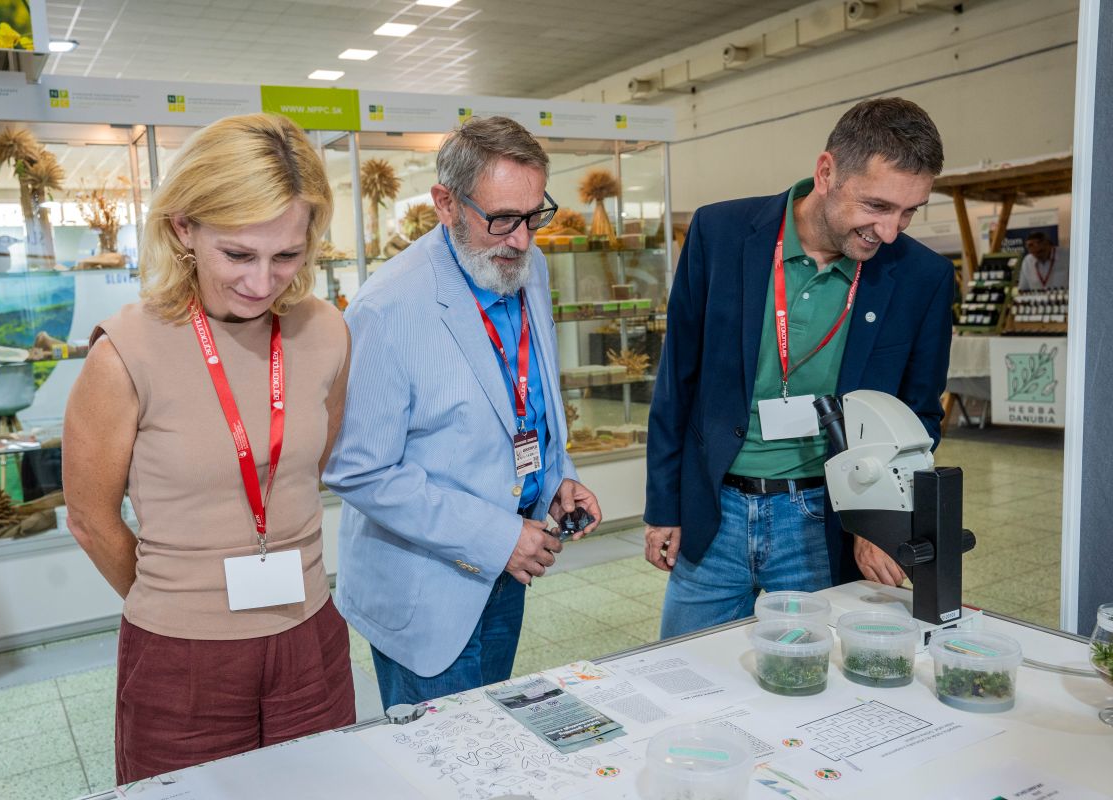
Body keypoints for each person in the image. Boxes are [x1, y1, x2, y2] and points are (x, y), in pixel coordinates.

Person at [63, 113, 355, 783]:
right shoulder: (124, 352)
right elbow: (90, 519)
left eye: (287, 255)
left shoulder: (327, 333)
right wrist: (182, 599)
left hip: (309, 637)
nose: (263, 281)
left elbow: (309, 467)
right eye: (239, 255)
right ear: (183, 229)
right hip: (182, 657)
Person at [644, 97, 954, 637]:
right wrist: (663, 506)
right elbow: (677, 380)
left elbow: (919, 417)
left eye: (909, 212)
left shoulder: (922, 278)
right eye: (877, 206)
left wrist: (879, 516)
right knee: (685, 666)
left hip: (825, 519)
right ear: (827, 172)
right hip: (713, 513)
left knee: (813, 676)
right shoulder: (719, 233)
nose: (890, 232)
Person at [323, 116, 602, 708]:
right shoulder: (387, 308)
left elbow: (527, 398)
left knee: (491, 732)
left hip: (511, 567)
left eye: (534, 216)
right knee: (443, 751)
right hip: (428, 589)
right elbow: (358, 470)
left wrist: (557, 477)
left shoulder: (527, 267)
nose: (521, 240)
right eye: (502, 219)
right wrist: (497, 537)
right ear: (445, 203)